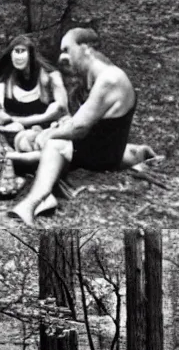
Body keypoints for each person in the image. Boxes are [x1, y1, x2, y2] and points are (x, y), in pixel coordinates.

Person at [9, 28, 152, 226]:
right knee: (38, 143)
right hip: (107, 149)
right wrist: (59, 126)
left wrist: (49, 135)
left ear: (86, 48)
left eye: (67, 49)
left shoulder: (109, 79)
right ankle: (139, 153)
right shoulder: (98, 78)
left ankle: (31, 204)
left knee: (52, 147)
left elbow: (80, 128)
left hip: (101, 155)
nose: (62, 57)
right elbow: (90, 122)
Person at [0, 35, 70, 129]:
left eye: (22, 51)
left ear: (31, 54)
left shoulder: (50, 76)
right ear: (10, 54)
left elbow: (62, 109)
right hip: (11, 130)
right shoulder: (4, 76)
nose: (19, 56)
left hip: (46, 129)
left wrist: (14, 119)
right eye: (16, 51)